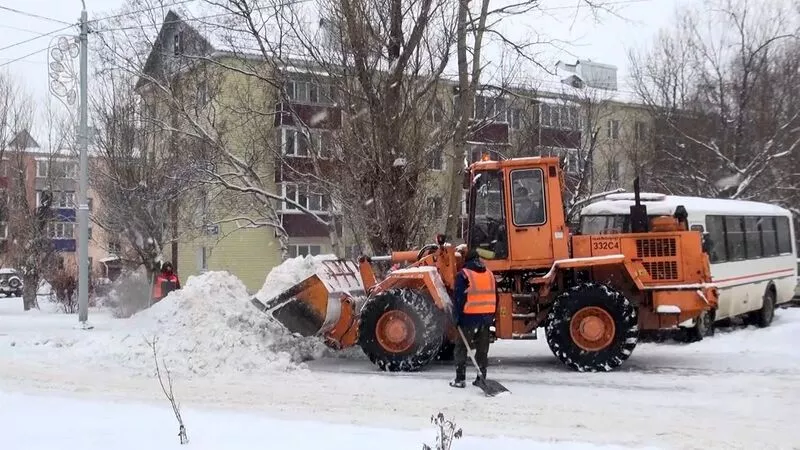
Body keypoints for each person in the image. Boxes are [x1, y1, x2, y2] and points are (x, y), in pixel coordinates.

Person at [449, 248, 497, 388]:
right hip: (486, 317)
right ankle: (481, 377)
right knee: (482, 349)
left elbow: (459, 298)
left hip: (468, 317)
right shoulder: (489, 274)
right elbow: (496, 296)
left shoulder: (464, 275)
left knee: (462, 348)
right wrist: (490, 315)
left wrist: (457, 317)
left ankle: (460, 379)